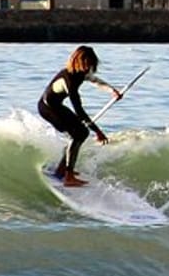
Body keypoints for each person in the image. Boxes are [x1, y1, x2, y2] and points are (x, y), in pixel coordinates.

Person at [37, 45, 122, 187]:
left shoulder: (81, 73)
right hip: (48, 108)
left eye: (91, 65)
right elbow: (79, 111)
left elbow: (95, 80)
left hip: (57, 106)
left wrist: (112, 90)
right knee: (79, 133)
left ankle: (62, 170)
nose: (89, 68)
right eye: (87, 64)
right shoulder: (68, 79)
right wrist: (98, 131)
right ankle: (68, 176)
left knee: (79, 133)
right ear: (79, 62)